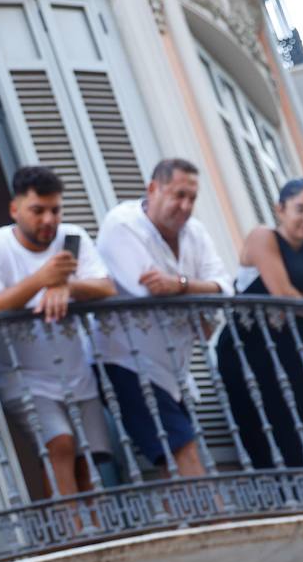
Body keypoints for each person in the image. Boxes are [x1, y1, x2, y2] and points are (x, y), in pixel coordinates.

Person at [0, 166, 117, 498]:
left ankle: (97, 537)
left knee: (88, 460)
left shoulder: (73, 238)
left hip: (76, 372)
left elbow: (106, 287)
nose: (49, 220)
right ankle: (74, 538)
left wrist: (69, 286)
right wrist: (41, 281)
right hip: (23, 375)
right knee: (59, 443)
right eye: (38, 211)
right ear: (15, 210)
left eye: (55, 210)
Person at [96, 158, 233, 477]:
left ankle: (196, 524)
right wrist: (199, 297)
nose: (186, 206)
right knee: (183, 452)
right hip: (128, 362)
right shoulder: (122, 225)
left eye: (192, 198)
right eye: (178, 195)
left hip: (173, 370)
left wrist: (180, 285)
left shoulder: (195, 232)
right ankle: (217, 523)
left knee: (172, 459)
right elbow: (150, 294)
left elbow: (225, 288)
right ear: (153, 189)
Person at [216, 178, 303, 469]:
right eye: (300, 209)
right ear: (280, 209)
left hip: (293, 354)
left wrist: (299, 302)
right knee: (264, 433)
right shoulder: (262, 237)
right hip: (249, 354)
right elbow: (283, 294)